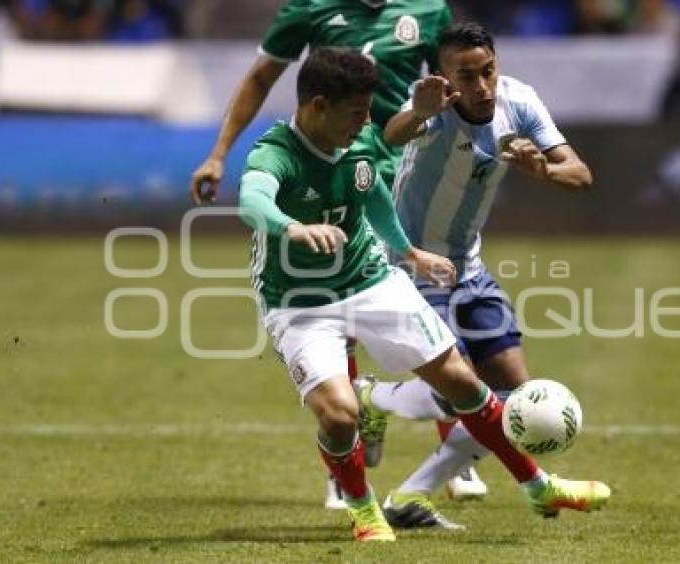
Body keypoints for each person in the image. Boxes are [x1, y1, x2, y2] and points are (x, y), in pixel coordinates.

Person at [237, 45, 609, 543]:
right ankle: (363, 509)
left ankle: (539, 486)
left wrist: (410, 254)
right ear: (318, 105)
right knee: (340, 414)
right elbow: (251, 200)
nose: (366, 121)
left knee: (462, 380)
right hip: (299, 302)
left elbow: (373, 200)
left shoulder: (359, 141)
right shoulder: (276, 152)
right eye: (356, 112)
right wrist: (292, 228)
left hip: (369, 279)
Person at [190, 0, 490, 506]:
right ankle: (347, 465)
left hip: (408, 177)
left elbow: (449, 87)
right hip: (341, 175)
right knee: (336, 317)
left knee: (433, 314)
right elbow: (262, 76)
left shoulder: (428, 9)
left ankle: (450, 460)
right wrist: (219, 152)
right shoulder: (309, 9)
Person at [352, 22, 604, 529]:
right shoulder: (432, 109)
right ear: (445, 79)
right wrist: (420, 109)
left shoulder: (519, 101)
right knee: (458, 392)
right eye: (466, 76)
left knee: (517, 401)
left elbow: (581, 174)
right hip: (412, 264)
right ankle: (369, 397)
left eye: (487, 70)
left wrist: (545, 172)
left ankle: (410, 496)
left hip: (469, 266)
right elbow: (393, 133)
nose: (481, 85)